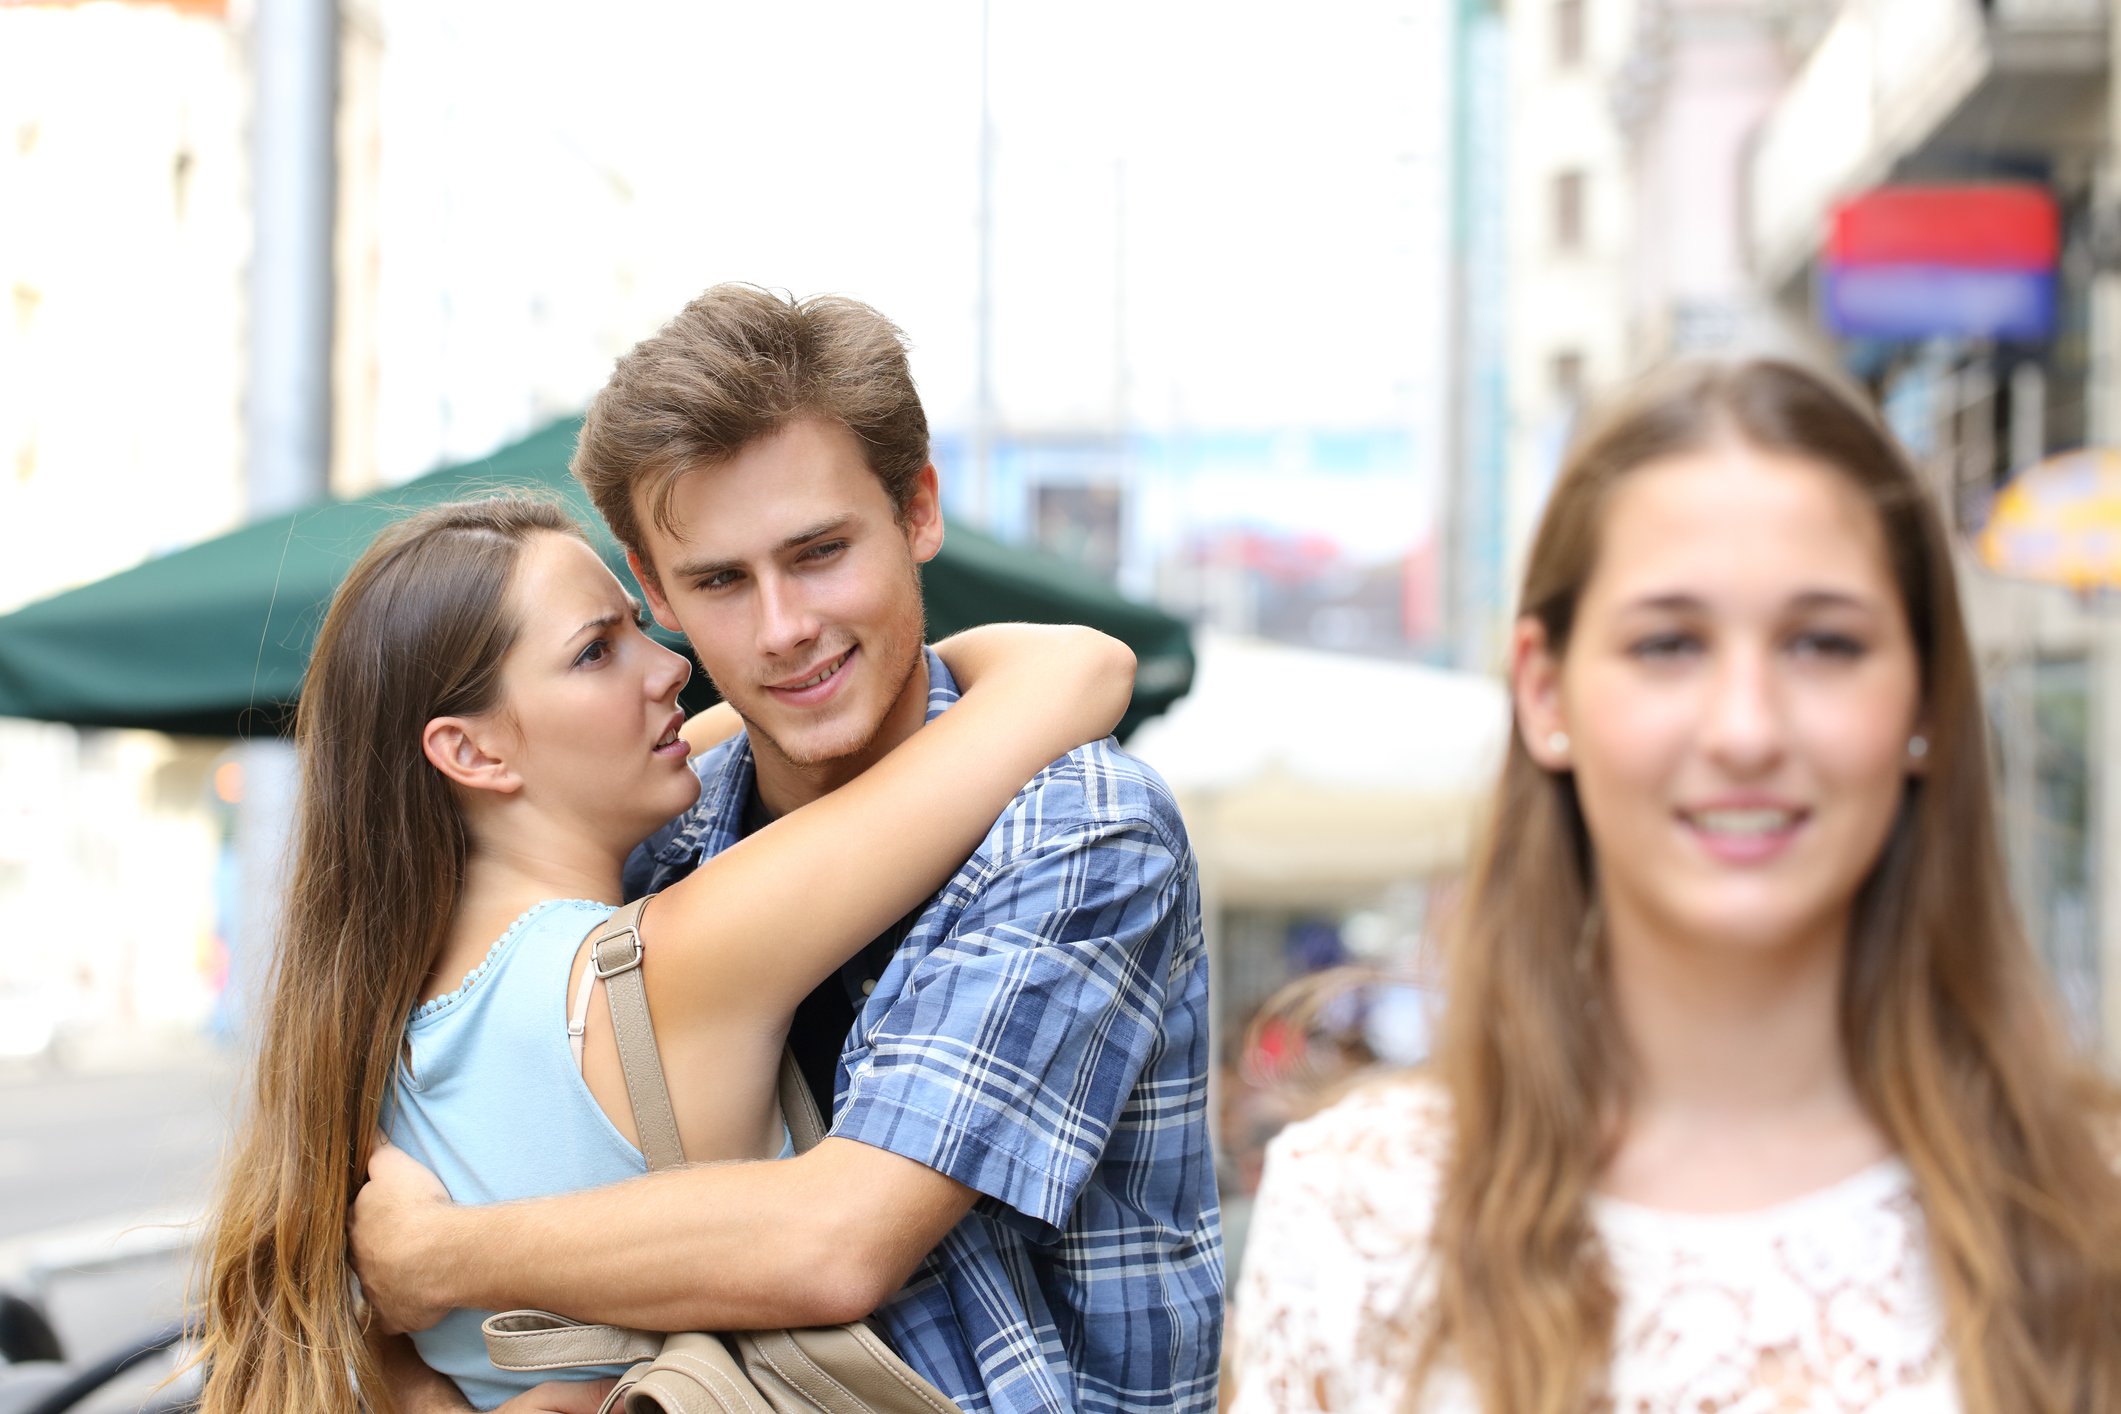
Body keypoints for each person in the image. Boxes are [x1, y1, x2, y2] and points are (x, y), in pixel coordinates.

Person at [349, 286, 1225, 1414]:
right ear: (652, 588)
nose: (782, 629)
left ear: (918, 511)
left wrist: (443, 1259)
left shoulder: (1080, 827)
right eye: (719, 581)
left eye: (819, 553)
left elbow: (842, 1238)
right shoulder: (663, 827)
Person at [1230, 358, 2121, 1413]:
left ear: (1924, 688)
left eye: (1823, 643)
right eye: (1669, 644)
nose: (1746, 727)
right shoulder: (1361, 1214)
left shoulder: (2088, 1203)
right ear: (1546, 689)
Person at [188, 493, 1138, 1413]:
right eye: (597, 651)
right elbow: (1077, 671)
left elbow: (728, 731)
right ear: (471, 755)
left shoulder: (373, 1035)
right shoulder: (667, 961)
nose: (671, 667)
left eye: (640, 627)